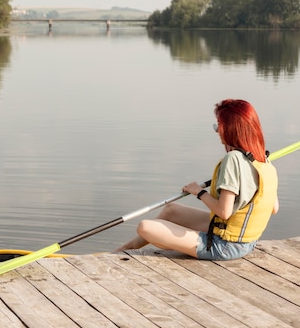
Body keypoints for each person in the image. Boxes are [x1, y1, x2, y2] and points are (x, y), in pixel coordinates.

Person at [115, 99, 279, 260]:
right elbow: (274, 208)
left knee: (145, 227)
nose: (217, 132)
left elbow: (224, 211)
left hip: (224, 246)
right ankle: (123, 250)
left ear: (229, 129)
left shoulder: (233, 160)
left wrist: (199, 192)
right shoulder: (264, 160)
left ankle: (136, 248)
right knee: (171, 210)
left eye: (218, 126)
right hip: (246, 242)